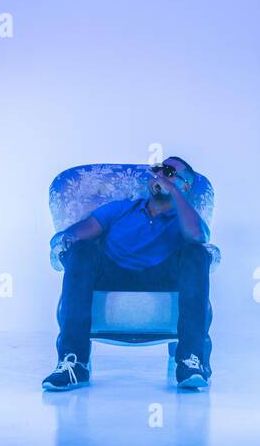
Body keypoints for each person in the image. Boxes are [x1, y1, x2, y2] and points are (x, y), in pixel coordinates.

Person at [45, 156, 213, 391]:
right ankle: (74, 363)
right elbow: (75, 234)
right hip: (114, 271)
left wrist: (173, 191)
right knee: (81, 250)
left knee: (197, 254)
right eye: (159, 171)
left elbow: (198, 237)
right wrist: (63, 242)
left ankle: (189, 360)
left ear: (185, 186)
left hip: (161, 276)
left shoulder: (185, 218)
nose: (161, 176)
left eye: (170, 172)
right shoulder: (122, 208)